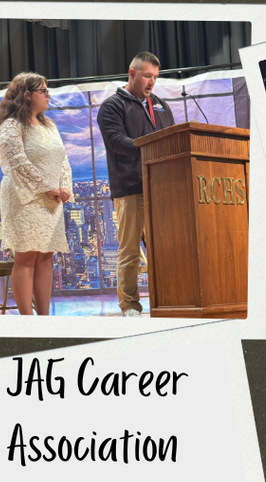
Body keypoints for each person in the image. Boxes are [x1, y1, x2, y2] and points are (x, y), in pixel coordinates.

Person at [96, 52, 175, 316]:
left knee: (163, 249)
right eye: (147, 76)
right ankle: (130, 305)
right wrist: (152, 147)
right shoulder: (112, 106)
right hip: (130, 188)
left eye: (155, 77)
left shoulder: (160, 105)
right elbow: (116, 141)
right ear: (132, 74)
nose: (152, 82)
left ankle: (167, 300)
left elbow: (171, 137)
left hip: (161, 187)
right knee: (130, 251)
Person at [0, 73, 71, 317]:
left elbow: (63, 159)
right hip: (23, 198)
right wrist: (47, 187)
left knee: (46, 257)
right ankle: (27, 321)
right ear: (27, 95)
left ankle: (44, 318)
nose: (48, 95)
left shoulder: (50, 126)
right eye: (43, 90)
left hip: (51, 200)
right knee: (26, 258)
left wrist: (65, 186)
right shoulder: (11, 126)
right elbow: (18, 163)